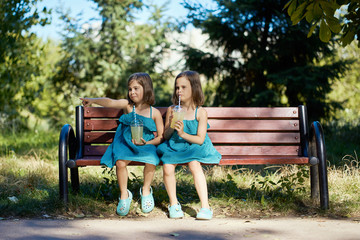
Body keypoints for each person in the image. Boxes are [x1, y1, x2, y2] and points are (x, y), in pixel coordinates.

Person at [80, 72, 164, 216]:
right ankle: (124, 194)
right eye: (130, 89)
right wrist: (93, 100)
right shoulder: (128, 106)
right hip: (127, 143)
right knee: (120, 162)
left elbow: (161, 137)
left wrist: (148, 142)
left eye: (136, 88)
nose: (132, 92)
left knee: (152, 159)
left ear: (147, 88)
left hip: (146, 144)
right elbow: (110, 102)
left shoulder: (154, 113)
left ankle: (145, 190)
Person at [157, 70, 221, 220]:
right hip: (175, 145)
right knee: (167, 166)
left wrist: (183, 134)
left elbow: (199, 139)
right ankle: (174, 204)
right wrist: (172, 125)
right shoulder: (172, 109)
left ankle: (205, 207)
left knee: (194, 164)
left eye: (184, 87)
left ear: (194, 88)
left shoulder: (200, 112)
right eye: (177, 88)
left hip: (194, 146)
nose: (179, 91)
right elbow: (166, 136)